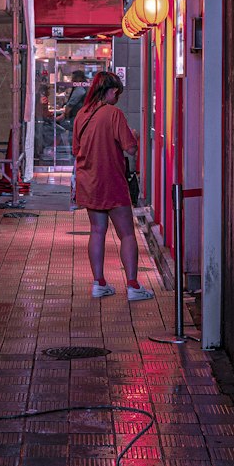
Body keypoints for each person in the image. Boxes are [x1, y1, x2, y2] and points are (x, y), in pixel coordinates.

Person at [71, 71, 154, 301]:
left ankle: (98, 283)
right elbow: (130, 148)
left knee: (97, 231)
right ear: (113, 91)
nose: (117, 98)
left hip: (88, 181)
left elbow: (76, 150)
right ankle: (133, 285)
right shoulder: (114, 114)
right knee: (126, 233)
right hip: (112, 181)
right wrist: (134, 136)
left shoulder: (81, 114)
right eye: (117, 93)